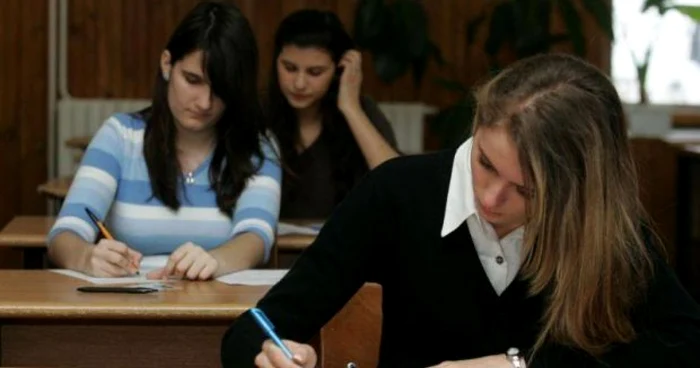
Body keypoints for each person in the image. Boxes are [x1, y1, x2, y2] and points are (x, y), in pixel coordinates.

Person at [220, 53, 700, 367]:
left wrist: (520, 365)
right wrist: (267, 355)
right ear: (476, 123)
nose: (490, 199)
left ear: (578, 197)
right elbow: (251, 332)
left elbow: (686, 344)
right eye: (485, 163)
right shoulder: (396, 194)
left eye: (527, 192)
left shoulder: (603, 226)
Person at [47, 1, 281, 281]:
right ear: (167, 64)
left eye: (221, 90)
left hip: (219, 306)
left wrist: (215, 261)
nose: (204, 103)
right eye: (192, 80)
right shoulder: (119, 135)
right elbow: (65, 234)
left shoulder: (258, 146)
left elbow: (256, 236)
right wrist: (87, 257)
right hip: (127, 304)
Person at [266, 9, 399, 219]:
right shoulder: (258, 113)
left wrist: (350, 108)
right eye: (289, 68)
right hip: (272, 250)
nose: (299, 83)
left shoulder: (362, 111)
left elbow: (398, 184)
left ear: (339, 70)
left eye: (315, 72)